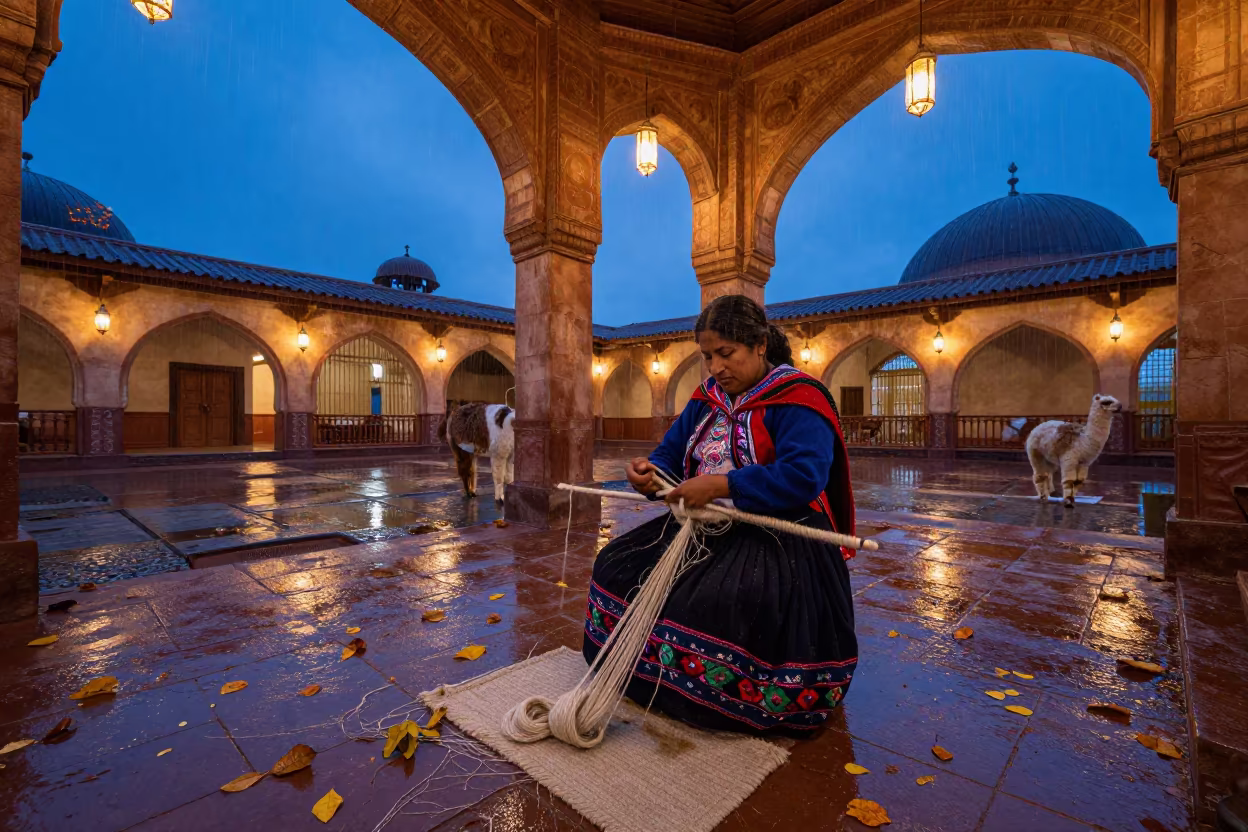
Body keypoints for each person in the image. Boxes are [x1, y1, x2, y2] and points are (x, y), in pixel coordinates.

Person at [582, 294, 857, 736]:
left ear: (760, 344)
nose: (715, 367)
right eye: (708, 356)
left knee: (724, 600)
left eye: (726, 354)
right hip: (704, 525)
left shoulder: (799, 399)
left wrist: (726, 485)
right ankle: (646, 675)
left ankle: (714, 698)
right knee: (615, 565)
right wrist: (650, 475)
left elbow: (805, 476)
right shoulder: (705, 399)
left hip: (777, 534)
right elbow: (670, 454)